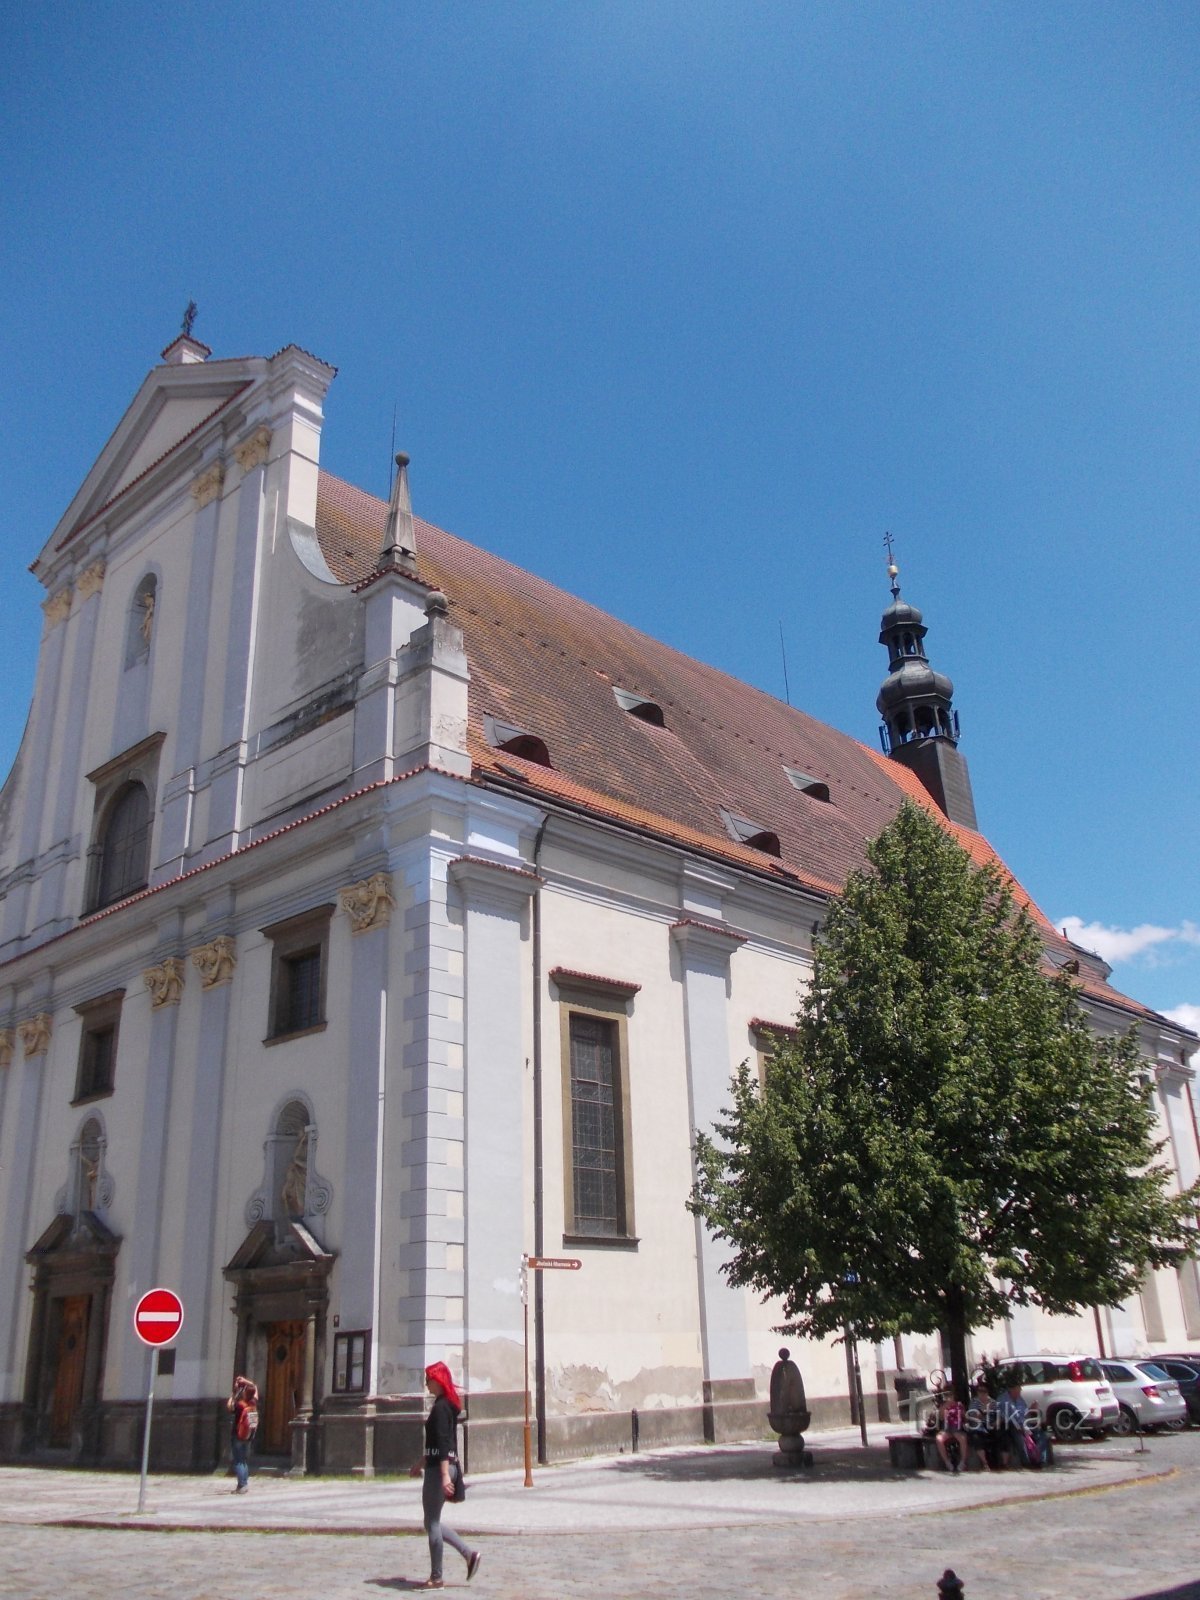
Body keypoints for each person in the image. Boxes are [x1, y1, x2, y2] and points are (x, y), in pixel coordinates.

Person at [410, 1361, 482, 1589]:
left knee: (431, 1523)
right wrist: (420, 1462)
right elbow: (437, 1441)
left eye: (428, 1379)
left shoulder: (441, 1408)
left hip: (439, 1469)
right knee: (431, 1521)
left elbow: (442, 1442)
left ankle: (437, 1577)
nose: (426, 1384)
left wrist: (443, 1476)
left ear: (438, 1381)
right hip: (439, 1464)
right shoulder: (445, 1404)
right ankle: (469, 1555)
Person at [227, 1374, 259, 1494]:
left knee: (238, 1461)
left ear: (245, 1393)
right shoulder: (253, 1403)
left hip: (238, 1434)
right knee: (243, 1460)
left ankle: (242, 1485)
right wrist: (246, 1382)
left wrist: (234, 1392)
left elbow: (229, 1406)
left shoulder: (240, 1405)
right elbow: (255, 1388)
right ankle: (244, 1483)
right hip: (248, 1435)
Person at [965, 1379, 1000, 1470]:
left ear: (988, 1392)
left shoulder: (993, 1402)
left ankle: (999, 1462)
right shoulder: (974, 1402)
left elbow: (999, 1416)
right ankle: (985, 1463)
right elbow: (974, 1417)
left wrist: (996, 1422)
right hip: (978, 1426)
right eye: (979, 1391)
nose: (981, 1393)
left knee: (1001, 1435)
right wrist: (983, 1409)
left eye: (984, 1391)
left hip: (990, 1425)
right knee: (977, 1438)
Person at [995, 1382, 1028, 1469]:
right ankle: (1025, 1461)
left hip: (1020, 1424)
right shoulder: (1002, 1399)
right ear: (1011, 1390)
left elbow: (1024, 1413)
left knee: (1039, 1435)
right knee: (1015, 1435)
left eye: (1020, 1390)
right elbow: (1000, 1414)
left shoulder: (1020, 1399)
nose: (1019, 1392)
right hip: (1005, 1424)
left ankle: (1036, 1459)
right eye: (1018, 1390)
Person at [935, 1389, 968, 1474]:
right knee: (939, 1439)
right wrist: (945, 1406)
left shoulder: (959, 1405)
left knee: (962, 1438)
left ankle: (962, 1462)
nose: (949, 1397)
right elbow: (941, 1418)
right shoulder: (944, 1405)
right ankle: (947, 1462)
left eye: (950, 1395)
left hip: (957, 1428)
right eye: (947, 1395)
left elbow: (965, 1417)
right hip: (947, 1429)